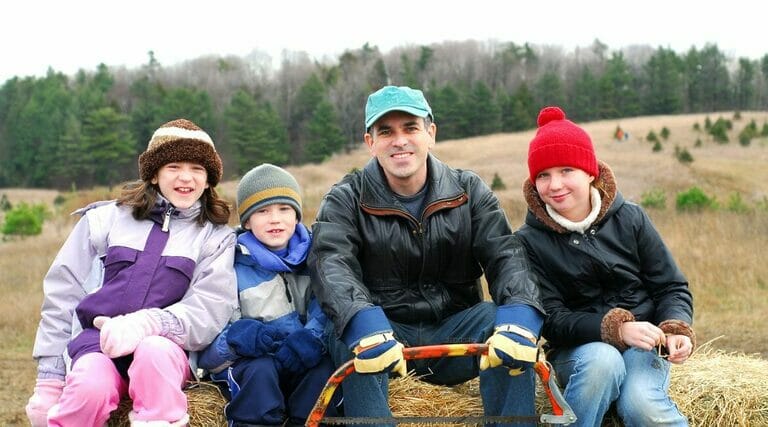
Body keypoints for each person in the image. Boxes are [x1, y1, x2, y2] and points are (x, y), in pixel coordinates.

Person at [308, 85, 544, 427]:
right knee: (349, 339)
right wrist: (365, 326)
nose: (399, 140)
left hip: (457, 327)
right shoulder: (345, 199)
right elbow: (331, 264)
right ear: (370, 143)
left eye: (410, 128)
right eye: (386, 131)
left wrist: (521, 318)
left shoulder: (468, 191)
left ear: (430, 134)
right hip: (385, 335)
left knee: (505, 329)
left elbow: (506, 255)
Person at [25, 119, 238, 427]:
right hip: (96, 345)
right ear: (154, 173)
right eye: (173, 166)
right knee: (89, 386)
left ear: (208, 180)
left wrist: (148, 323)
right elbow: (63, 296)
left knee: (153, 354)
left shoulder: (214, 237)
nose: (186, 177)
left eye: (197, 169)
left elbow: (210, 307)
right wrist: (50, 379)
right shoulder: (103, 221)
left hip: (167, 350)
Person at [517, 106, 695, 426]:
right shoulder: (529, 242)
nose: (555, 184)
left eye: (566, 170)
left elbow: (670, 286)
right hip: (579, 352)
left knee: (642, 405)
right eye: (543, 175)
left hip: (646, 345)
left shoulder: (632, 218)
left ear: (590, 173)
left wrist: (674, 327)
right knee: (604, 360)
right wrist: (616, 330)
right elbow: (552, 320)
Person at [199, 163, 340, 427]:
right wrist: (233, 340)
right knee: (260, 372)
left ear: (297, 216)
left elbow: (328, 310)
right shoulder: (230, 264)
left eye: (284, 209)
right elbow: (207, 350)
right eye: (262, 211)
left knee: (322, 372)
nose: (275, 218)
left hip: (300, 357)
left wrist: (312, 338)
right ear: (247, 221)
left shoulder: (317, 258)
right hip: (251, 363)